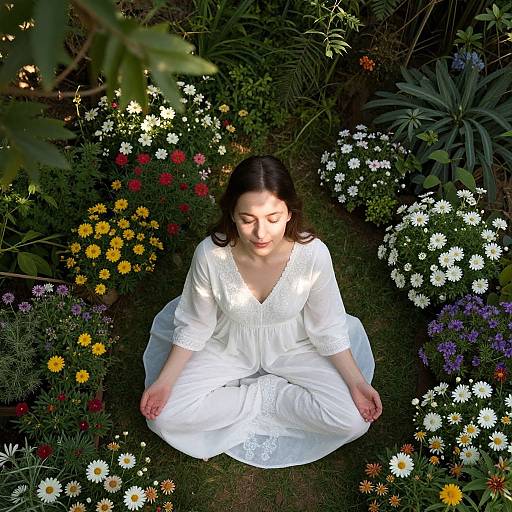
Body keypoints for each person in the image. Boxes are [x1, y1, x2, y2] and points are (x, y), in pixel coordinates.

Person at [140, 155, 381, 469]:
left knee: (352, 421)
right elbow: (196, 325)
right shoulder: (210, 255)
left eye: (273, 217)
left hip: (294, 345)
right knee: (164, 417)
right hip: (227, 343)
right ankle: (258, 400)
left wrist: (356, 384)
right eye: (247, 219)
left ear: (289, 212)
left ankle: (274, 399)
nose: (260, 233)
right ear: (232, 214)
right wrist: (165, 382)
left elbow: (327, 327)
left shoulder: (312, 255)